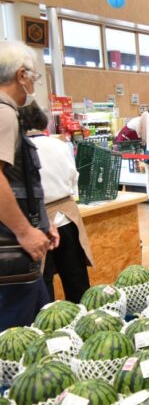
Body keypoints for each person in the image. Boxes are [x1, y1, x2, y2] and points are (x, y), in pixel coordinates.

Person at [0, 40, 58, 330]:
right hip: (9, 253)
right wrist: (24, 231)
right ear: (21, 75)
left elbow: (16, 182)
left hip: (15, 249)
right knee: (17, 340)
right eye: (33, 77)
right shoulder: (5, 113)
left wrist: (41, 221)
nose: (33, 84)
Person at [20, 102, 93, 303]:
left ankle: (50, 330)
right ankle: (83, 319)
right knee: (76, 280)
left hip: (38, 222)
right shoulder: (61, 145)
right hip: (68, 218)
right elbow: (73, 177)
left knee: (44, 284)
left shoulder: (20, 149)